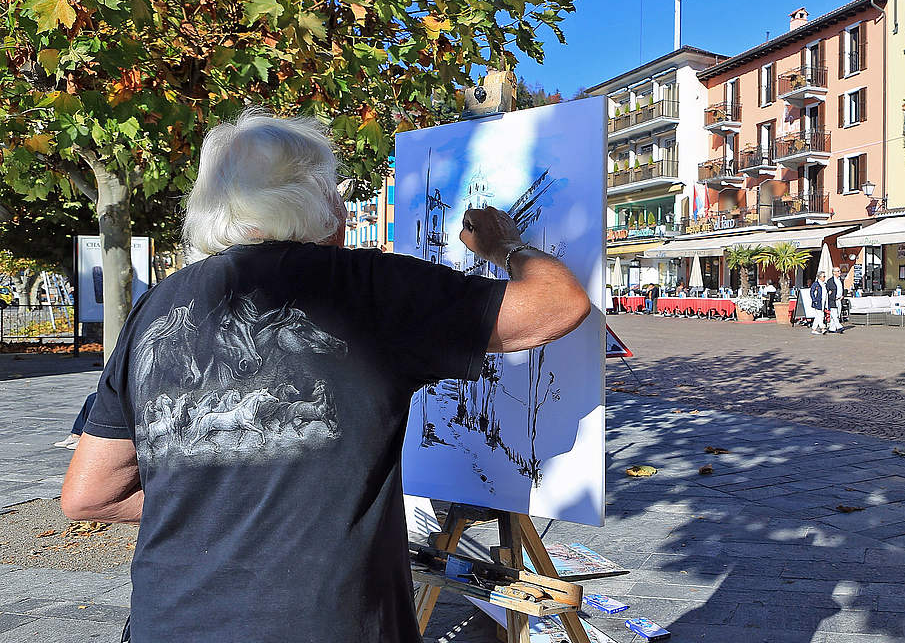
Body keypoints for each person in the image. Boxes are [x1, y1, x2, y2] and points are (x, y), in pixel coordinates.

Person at [60, 112, 590, 643]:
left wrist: (218, 504)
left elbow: (89, 494)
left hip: (168, 623)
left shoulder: (156, 308)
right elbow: (556, 306)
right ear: (321, 202)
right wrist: (504, 246)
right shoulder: (365, 287)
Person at [825, 268, 845, 334]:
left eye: (840, 271)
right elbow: (827, 289)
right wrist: (830, 292)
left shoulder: (841, 280)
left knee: (838, 314)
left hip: (839, 300)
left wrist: (842, 295)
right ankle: (839, 326)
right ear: (834, 272)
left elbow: (842, 288)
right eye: (838, 271)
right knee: (834, 314)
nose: (840, 272)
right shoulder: (830, 281)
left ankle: (832, 328)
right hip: (833, 300)